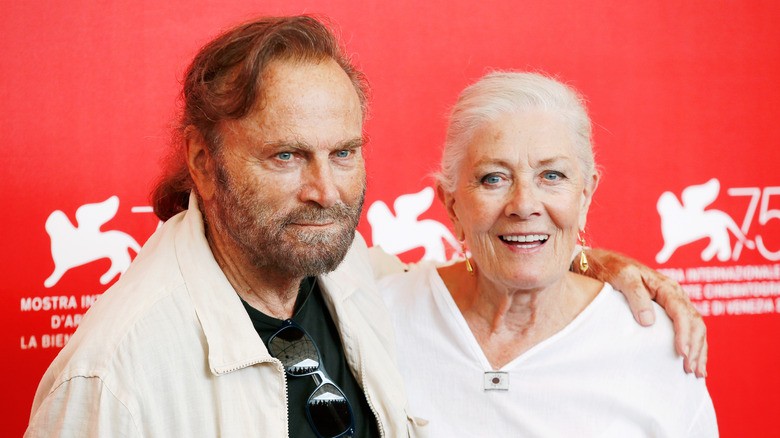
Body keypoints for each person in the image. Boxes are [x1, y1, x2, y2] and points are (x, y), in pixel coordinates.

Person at [25, 16, 706, 437]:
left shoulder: (346, 273)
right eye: (286, 156)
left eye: (344, 153)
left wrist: (594, 262)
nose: (325, 191)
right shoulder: (112, 377)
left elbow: (508, 261)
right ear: (204, 163)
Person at [379, 71, 718, 437]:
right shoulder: (376, 318)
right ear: (452, 204)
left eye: (552, 176)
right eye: (494, 178)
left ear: (585, 196)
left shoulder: (651, 340)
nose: (524, 205)